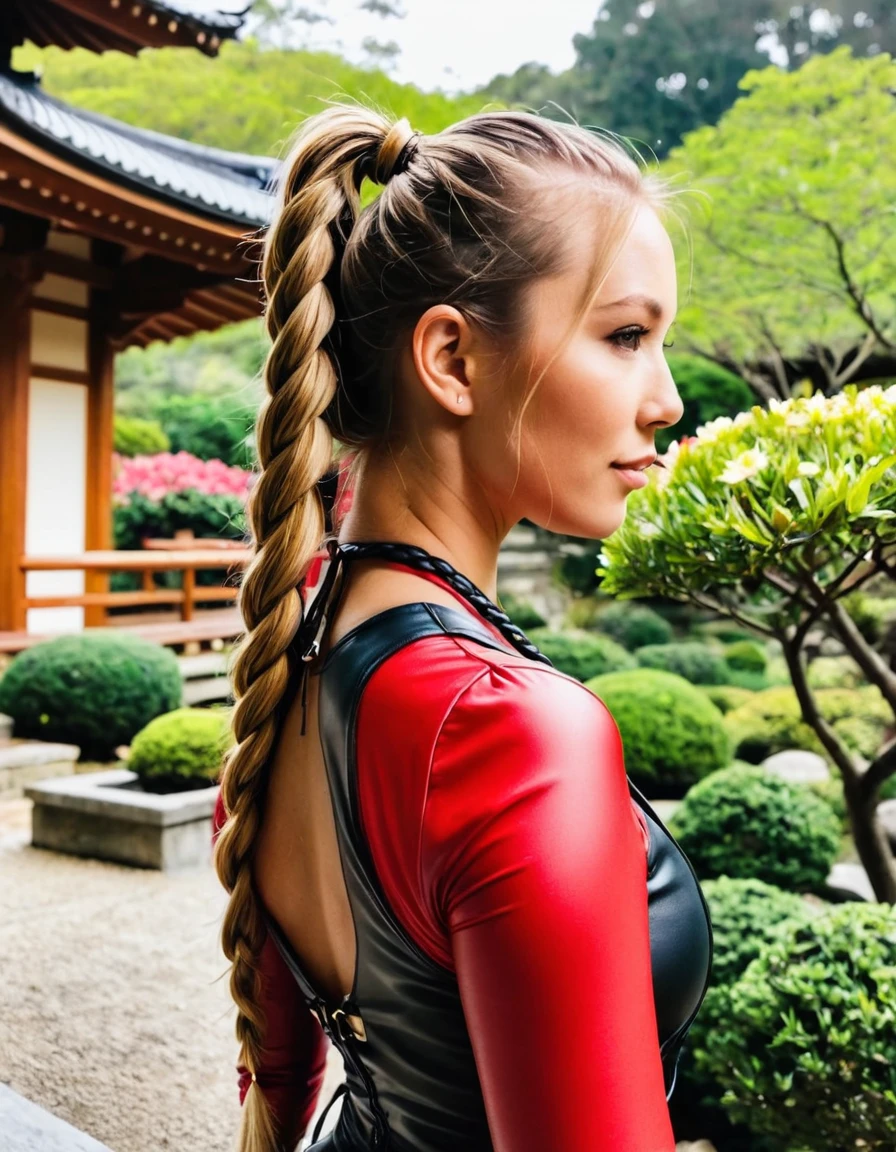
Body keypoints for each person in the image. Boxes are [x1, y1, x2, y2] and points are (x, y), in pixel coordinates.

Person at [212, 105, 713, 1152]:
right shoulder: (508, 730)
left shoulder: (288, 646)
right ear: (451, 359)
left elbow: (289, 1067)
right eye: (625, 336)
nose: (664, 398)